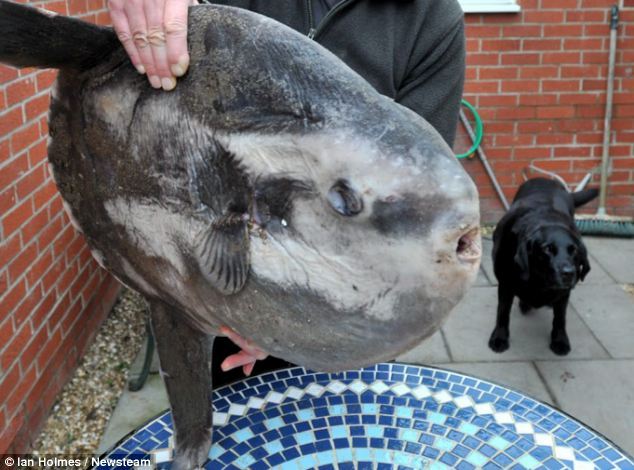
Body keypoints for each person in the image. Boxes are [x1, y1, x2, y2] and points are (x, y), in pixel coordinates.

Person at [107, 0, 466, 386]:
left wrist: (299, 323)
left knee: (349, 436)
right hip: (218, 276)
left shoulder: (431, 17)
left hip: (354, 308)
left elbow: (417, 212)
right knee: (236, 431)